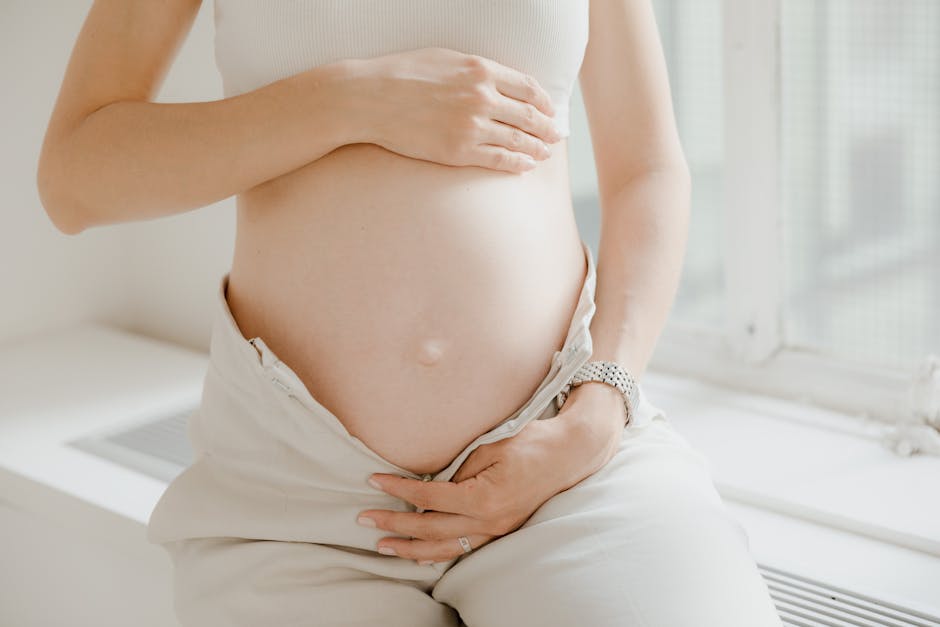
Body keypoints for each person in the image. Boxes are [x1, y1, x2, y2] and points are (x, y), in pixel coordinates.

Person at [38, 0, 784, 625]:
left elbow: (648, 169)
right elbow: (75, 176)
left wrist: (597, 413)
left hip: (561, 456)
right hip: (292, 498)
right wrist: (352, 100)